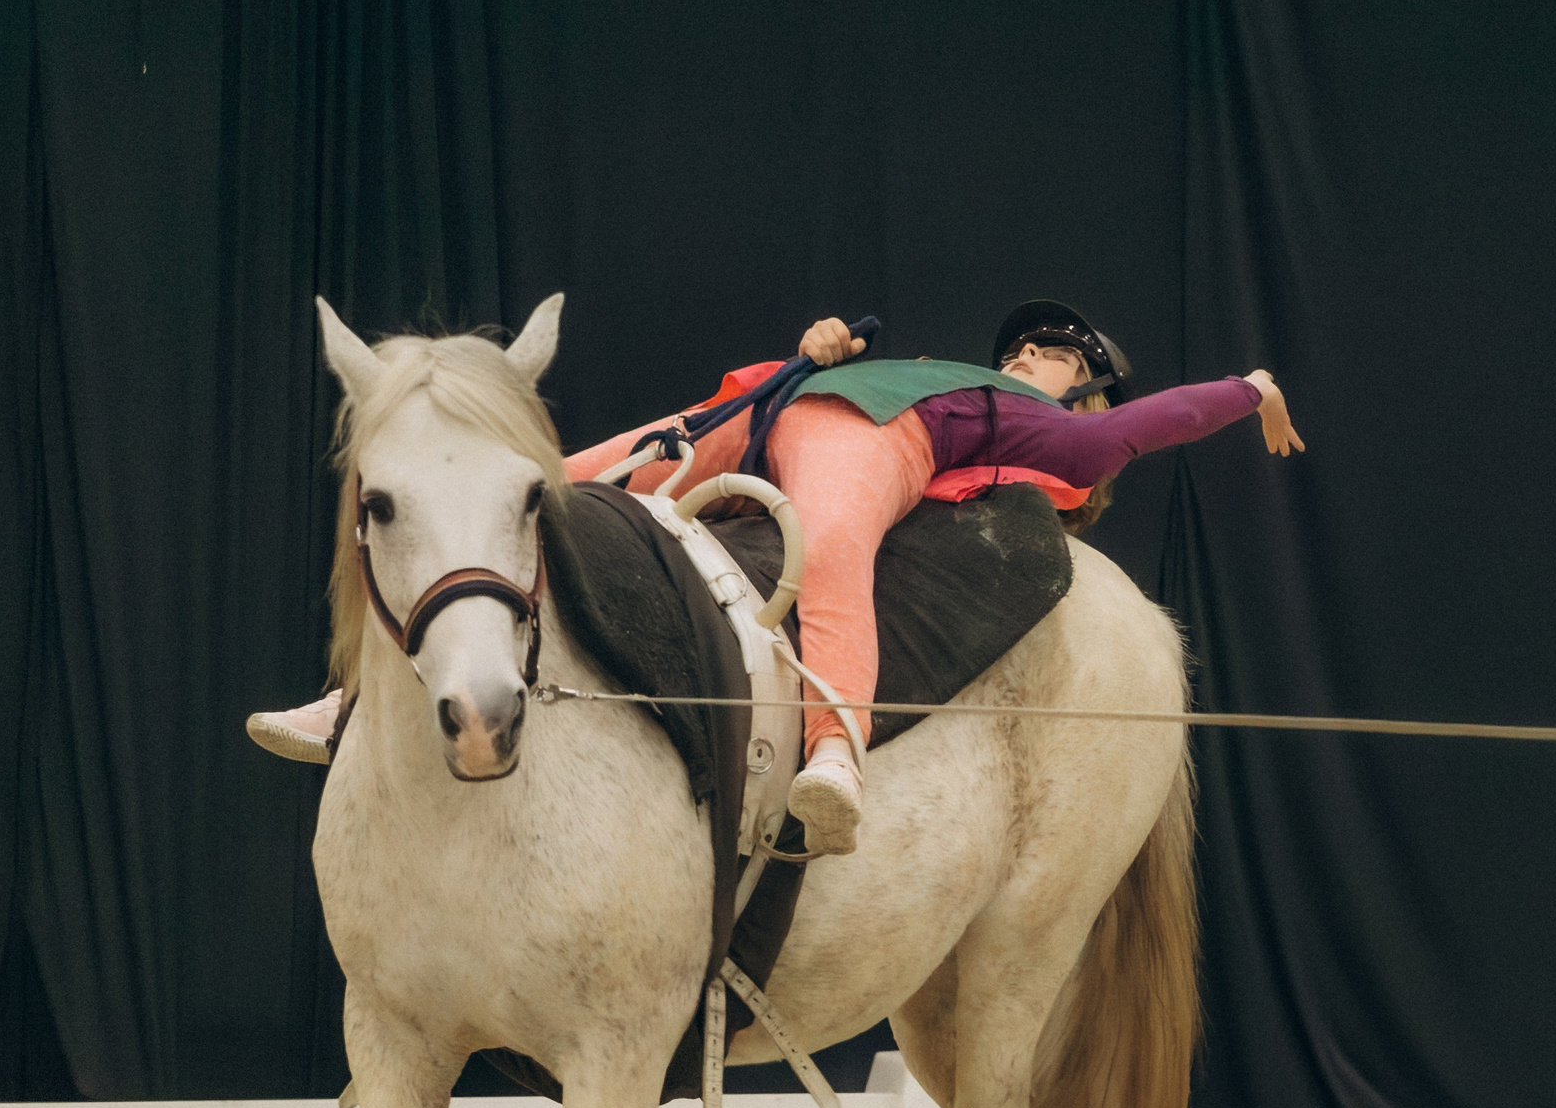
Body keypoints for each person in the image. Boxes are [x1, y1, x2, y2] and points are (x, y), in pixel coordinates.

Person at [249, 300, 1304, 854]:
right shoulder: (953, 369)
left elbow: (1149, 424)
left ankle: (833, 751)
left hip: (873, 445)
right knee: (529, 489)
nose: (1036, 353)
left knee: (834, 545)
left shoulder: (1056, 441)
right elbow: (832, 358)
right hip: (765, 407)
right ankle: (353, 702)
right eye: (1030, 343)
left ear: (1083, 403)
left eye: (1063, 357)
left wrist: (1241, 387)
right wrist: (827, 342)